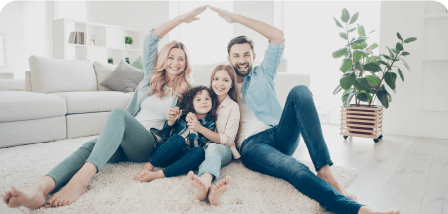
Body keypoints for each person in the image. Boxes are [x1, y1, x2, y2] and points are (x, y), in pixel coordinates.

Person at [2, 6, 207, 210]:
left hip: (148, 144)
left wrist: (173, 120)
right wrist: (181, 19)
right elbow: (151, 39)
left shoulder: (188, 89)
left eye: (181, 58)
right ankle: (40, 187)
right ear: (164, 59)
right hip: (126, 139)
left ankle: (81, 181)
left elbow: (185, 128)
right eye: (171, 57)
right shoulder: (150, 77)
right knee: (89, 147)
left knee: (118, 114)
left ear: (186, 63)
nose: (175, 63)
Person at [208, 5, 400, 214]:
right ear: (229, 58)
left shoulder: (263, 73)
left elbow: (278, 37)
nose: (242, 60)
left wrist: (236, 18)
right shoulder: (220, 85)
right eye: (236, 55)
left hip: (280, 133)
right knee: (296, 168)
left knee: (300, 90)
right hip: (252, 146)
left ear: (253, 55)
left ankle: (324, 169)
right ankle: (358, 210)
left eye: (246, 54)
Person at [135, 85, 218, 182]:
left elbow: (196, 147)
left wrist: (194, 129)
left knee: (200, 152)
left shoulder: (209, 125)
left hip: (182, 161)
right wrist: (171, 122)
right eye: (198, 100)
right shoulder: (182, 116)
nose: (203, 102)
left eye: (207, 99)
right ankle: (149, 166)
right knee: (179, 139)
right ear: (192, 103)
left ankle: (158, 174)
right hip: (163, 155)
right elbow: (165, 138)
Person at [187, 64, 241, 205]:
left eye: (225, 80)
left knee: (212, 148)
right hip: (201, 148)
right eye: (216, 79)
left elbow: (228, 141)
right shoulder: (206, 100)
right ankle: (211, 191)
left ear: (232, 84)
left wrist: (199, 128)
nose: (220, 84)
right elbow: (190, 107)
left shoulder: (233, 107)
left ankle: (205, 179)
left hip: (223, 150)